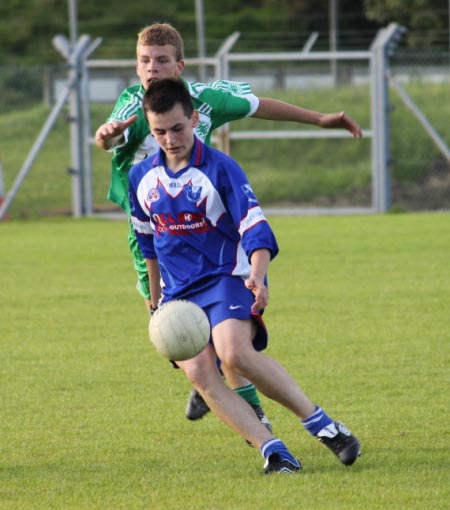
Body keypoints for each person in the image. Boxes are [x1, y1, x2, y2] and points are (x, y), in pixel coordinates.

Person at [94, 22, 363, 425]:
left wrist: (321, 119)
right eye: (144, 62)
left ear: (179, 65)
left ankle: (240, 399)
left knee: (221, 324)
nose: (152, 69)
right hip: (153, 233)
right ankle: (221, 383)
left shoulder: (205, 100)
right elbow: (109, 137)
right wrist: (106, 135)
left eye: (162, 60)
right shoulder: (132, 104)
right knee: (171, 320)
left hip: (204, 227)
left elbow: (260, 105)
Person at [128, 78, 361, 474]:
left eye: (178, 128)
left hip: (227, 276)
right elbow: (147, 244)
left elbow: (255, 228)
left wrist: (257, 275)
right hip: (178, 294)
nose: (170, 139)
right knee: (201, 372)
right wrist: (155, 304)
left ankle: (324, 426)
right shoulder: (141, 179)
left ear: (194, 118)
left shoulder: (220, 168)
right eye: (159, 132)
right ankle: (274, 452)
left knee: (234, 352)